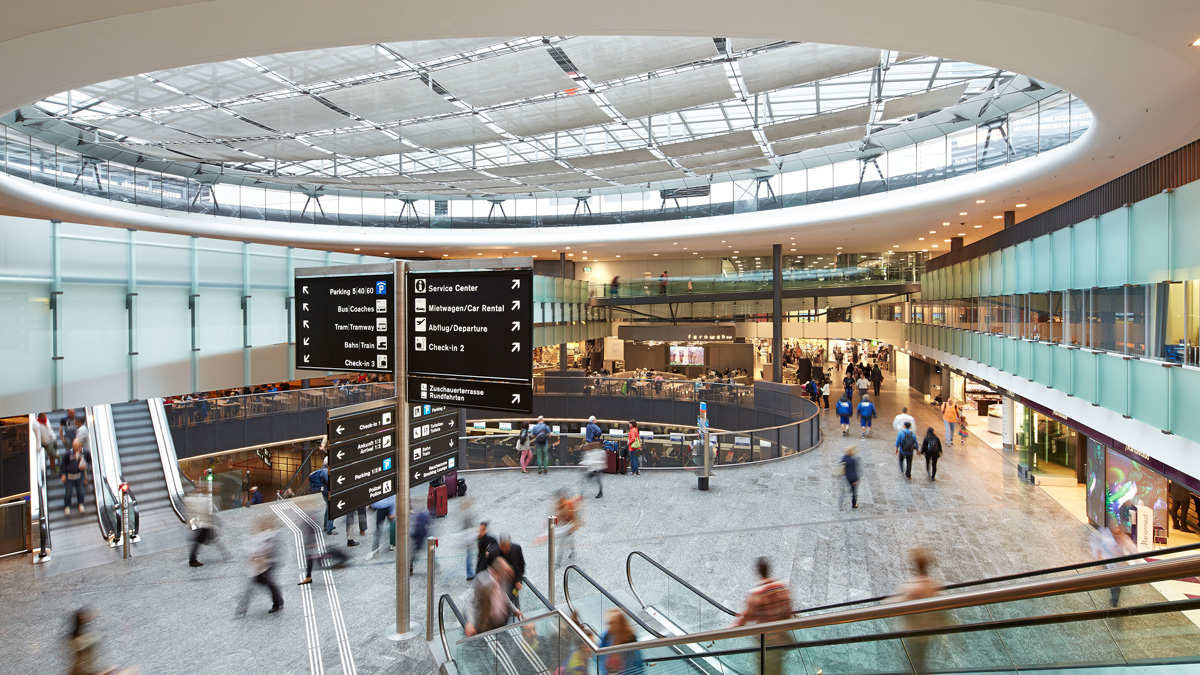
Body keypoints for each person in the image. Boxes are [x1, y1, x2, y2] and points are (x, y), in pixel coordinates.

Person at [733, 557, 793, 675]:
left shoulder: (756, 594)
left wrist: (734, 626)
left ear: (758, 572)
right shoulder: (782, 588)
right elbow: (788, 613)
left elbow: (747, 617)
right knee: (778, 669)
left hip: (766, 642)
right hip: (780, 639)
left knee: (765, 670)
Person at [888, 548, 942, 675]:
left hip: (914, 631)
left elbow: (896, 603)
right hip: (926, 630)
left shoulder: (914, 587)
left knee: (915, 664)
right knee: (918, 663)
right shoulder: (931, 583)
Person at [237, 516, 283, 616]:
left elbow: (267, 549)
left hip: (265, 565)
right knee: (265, 583)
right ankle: (278, 601)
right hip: (259, 566)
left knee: (264, 584)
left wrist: (256, 555)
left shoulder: (269, 536)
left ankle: (277, 602)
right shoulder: (262, 536)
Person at [464, 557, 522, 636]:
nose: (509, 577)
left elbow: (503, 595)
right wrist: (470, 622)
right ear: (498, 572)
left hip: (501, 624)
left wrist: (515, 610)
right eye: (507, 573)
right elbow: (473, 604)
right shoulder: (482, 581)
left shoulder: (502, 578)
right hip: (484, 627)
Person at [1091, 523, 1133, 607]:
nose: (1116, 534)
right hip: (1111, 566)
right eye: (1115, 532)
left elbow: (1134, 551)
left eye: (1118, 532)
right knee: (1115, 586)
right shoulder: (1107, 539)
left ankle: (1115, 598)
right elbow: (1096, 541)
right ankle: (1114, 600)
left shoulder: (1125, 540)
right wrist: (1097, 552)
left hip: (1120, 567)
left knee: (1116, 585)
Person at [298, 514, 348, 585]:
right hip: (315, 545)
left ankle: (342, 560)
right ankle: (308, 577)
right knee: (311, 558)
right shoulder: (311, 529)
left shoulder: (312, 528)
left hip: (317, 546)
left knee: (317, 556)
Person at [599, 609, 645, 675]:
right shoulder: (606, 636)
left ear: (620, 624)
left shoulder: (630, 639)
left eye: (612, 622)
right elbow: (600, 658)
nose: (609, 625)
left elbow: (637, 664)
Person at [497, 534, 526, 609]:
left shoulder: (517, 549)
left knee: (515, 604)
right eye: (502, 547)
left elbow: (521, 565)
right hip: (500, 584)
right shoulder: (496, 551)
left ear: (509, 544)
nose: (504, 549)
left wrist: (519, 580)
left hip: (513, 583)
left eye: (506, 547)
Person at [61, 439, 88, 516]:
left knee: (81, 491)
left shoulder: (84, 453)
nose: (75, 446)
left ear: (80, 445)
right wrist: (63, 474)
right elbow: (63, 465)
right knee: (68, 492)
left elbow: (88, 461)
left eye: (76, 445)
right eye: (74, 445)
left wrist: (86, 467)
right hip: (69, 477)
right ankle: (67, 506)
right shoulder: (68, 454)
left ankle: (81, 504)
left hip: (79, 476)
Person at [311, 456, 336, 535]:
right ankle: (330, 528)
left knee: (327, 509)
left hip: (324, 492)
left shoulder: (323, 469)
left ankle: (326, 525)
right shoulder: (325, 472)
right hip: (327, 492)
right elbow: (330, 483)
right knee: (331, 511)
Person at [366, 495, 396, 560]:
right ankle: (391, 544)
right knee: (380, 529)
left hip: (387, 507)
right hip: (384, 507)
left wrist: (393, 510)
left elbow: (393, 497)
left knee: (390, 527)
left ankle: (392, 543)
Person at [409, 502, 432, 575]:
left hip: (419, 535)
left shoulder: (419, 515)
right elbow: (428, 523)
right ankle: (434, 565)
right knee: (428, 550)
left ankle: (410, 567)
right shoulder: (423, 515)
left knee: (417, 551)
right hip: (421, 535)